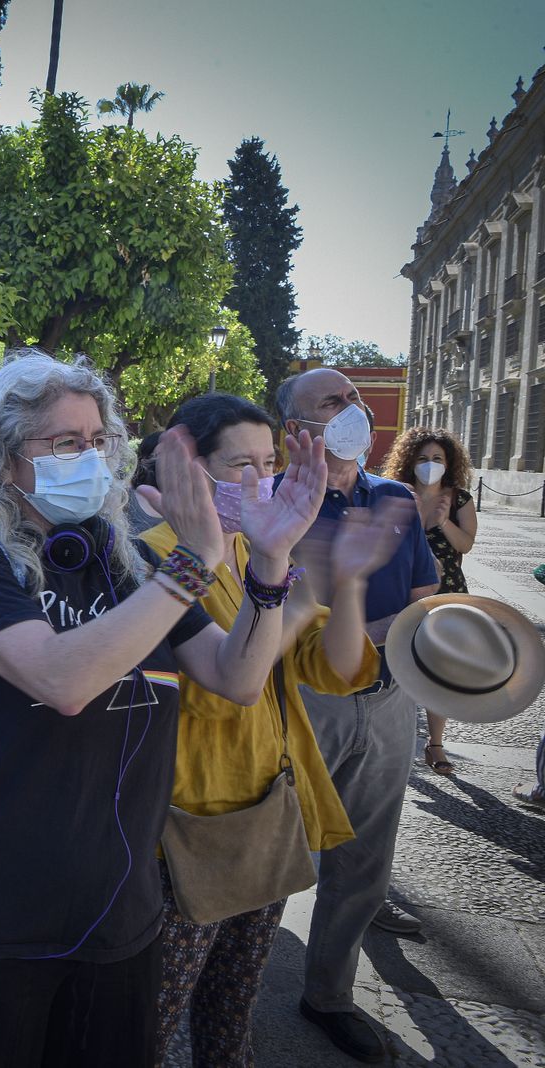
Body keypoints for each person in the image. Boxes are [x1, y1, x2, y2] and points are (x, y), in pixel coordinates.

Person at [0, 351, 329, 1067]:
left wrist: (270, 562)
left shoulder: (118, 556)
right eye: (66, 443)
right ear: (7, 459)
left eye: (98, 440)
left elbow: (238, 675)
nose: (91, 456)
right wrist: (191, 566)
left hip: (120, 916)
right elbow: (62, 682)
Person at [141, 393, 406, 1067]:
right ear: (188, 466)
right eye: (240, 466)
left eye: (269, 463)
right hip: (186, 825)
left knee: (232, 1011)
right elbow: (232, 682)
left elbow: (337, 668)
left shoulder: (265, 551)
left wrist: (346, 582)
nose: (260, 481)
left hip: (268, 810)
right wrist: (280, 581)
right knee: (151, 1014)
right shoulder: (152, 557)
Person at [274, 367, 441, 1061]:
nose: (351, 411)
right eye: (331, 402)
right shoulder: (278, 504)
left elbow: (427, 587)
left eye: (352, 399)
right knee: (275, 851)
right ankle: (230, 981)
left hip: (388, 702)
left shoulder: (394, 496)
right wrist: (363, 627)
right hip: (308, 701)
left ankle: (329, 996)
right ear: (295, 432)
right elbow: (282, 620)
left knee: (365, 862)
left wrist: (378, 631)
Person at [383, 426, 478, 779]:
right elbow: (386, 539)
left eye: (437, 458)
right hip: (401, 593)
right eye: (422, 458)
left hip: (448, 593)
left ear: (448, 462)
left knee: (440, 671)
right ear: (409, 461)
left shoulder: (459, 499)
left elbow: (465, 544)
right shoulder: (396, 493)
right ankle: (396, 738)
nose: (429, 464)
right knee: (400, 668)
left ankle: (435, 744)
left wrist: (441, 522)